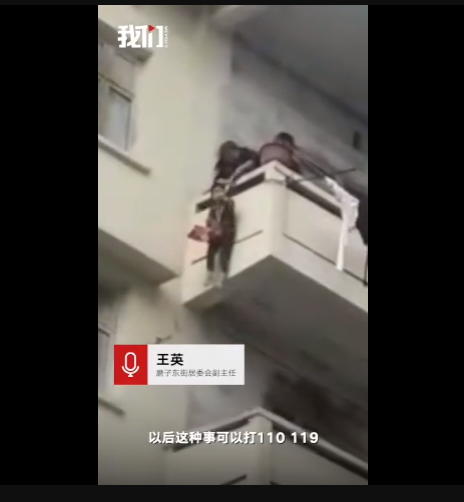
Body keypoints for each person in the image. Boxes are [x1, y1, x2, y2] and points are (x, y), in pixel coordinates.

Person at [204, 181, 237, 287]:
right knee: (210, 250)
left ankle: (222, 275)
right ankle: (210, 273)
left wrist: (223, 197)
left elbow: (230, 207)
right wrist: (209, 222)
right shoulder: (213, 208)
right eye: (214, 192)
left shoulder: (228, 202)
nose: (216, 194)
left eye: (218, 191)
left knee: (224, 252)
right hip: (217, 231)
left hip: (226, 231)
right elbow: (209, 220)